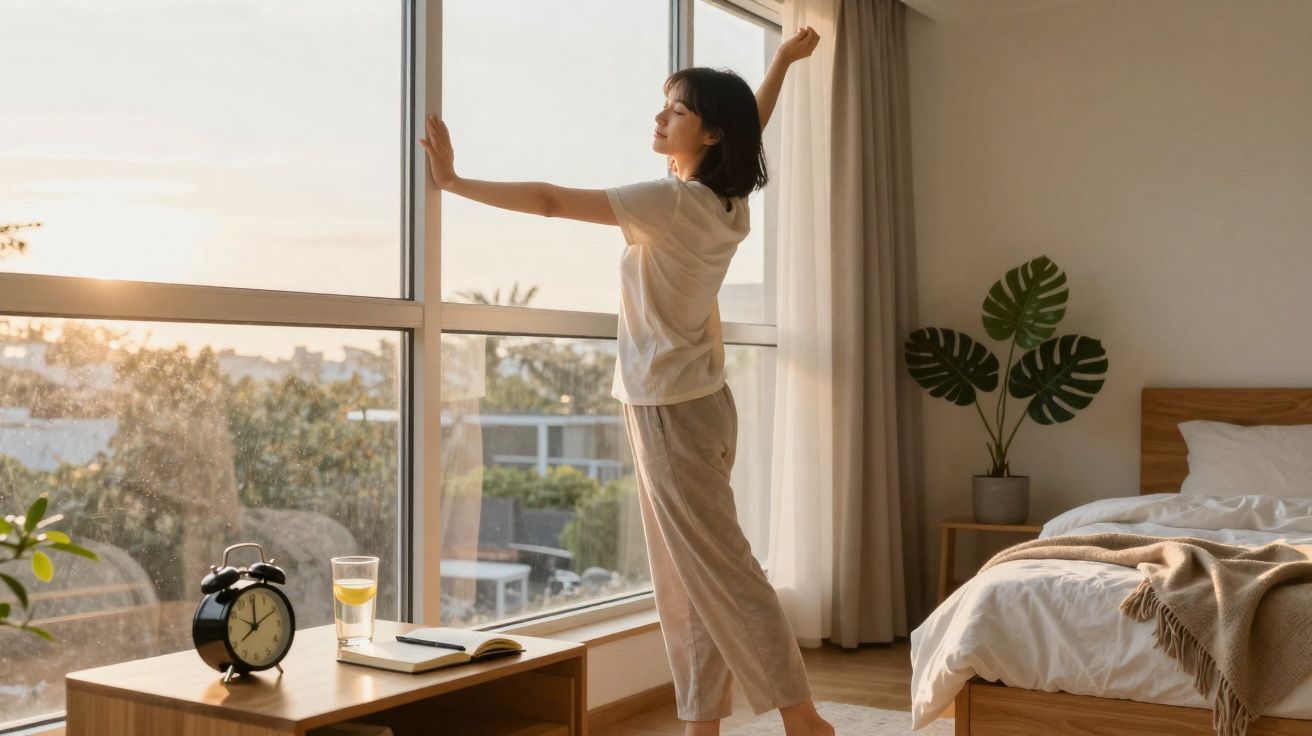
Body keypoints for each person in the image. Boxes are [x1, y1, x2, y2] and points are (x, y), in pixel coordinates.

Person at [421, 26, 830, 736]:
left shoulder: (668, 205)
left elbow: (551, 199)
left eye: (674, 109)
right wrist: (783, 65)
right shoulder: (726, 205)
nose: (659, 116)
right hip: (698, 404)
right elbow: (749, 124)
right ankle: (703, 721)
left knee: (722, 573)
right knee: (691, 577)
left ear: (708, 135)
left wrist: (455, 182)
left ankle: (803, 718)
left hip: (671, 410)